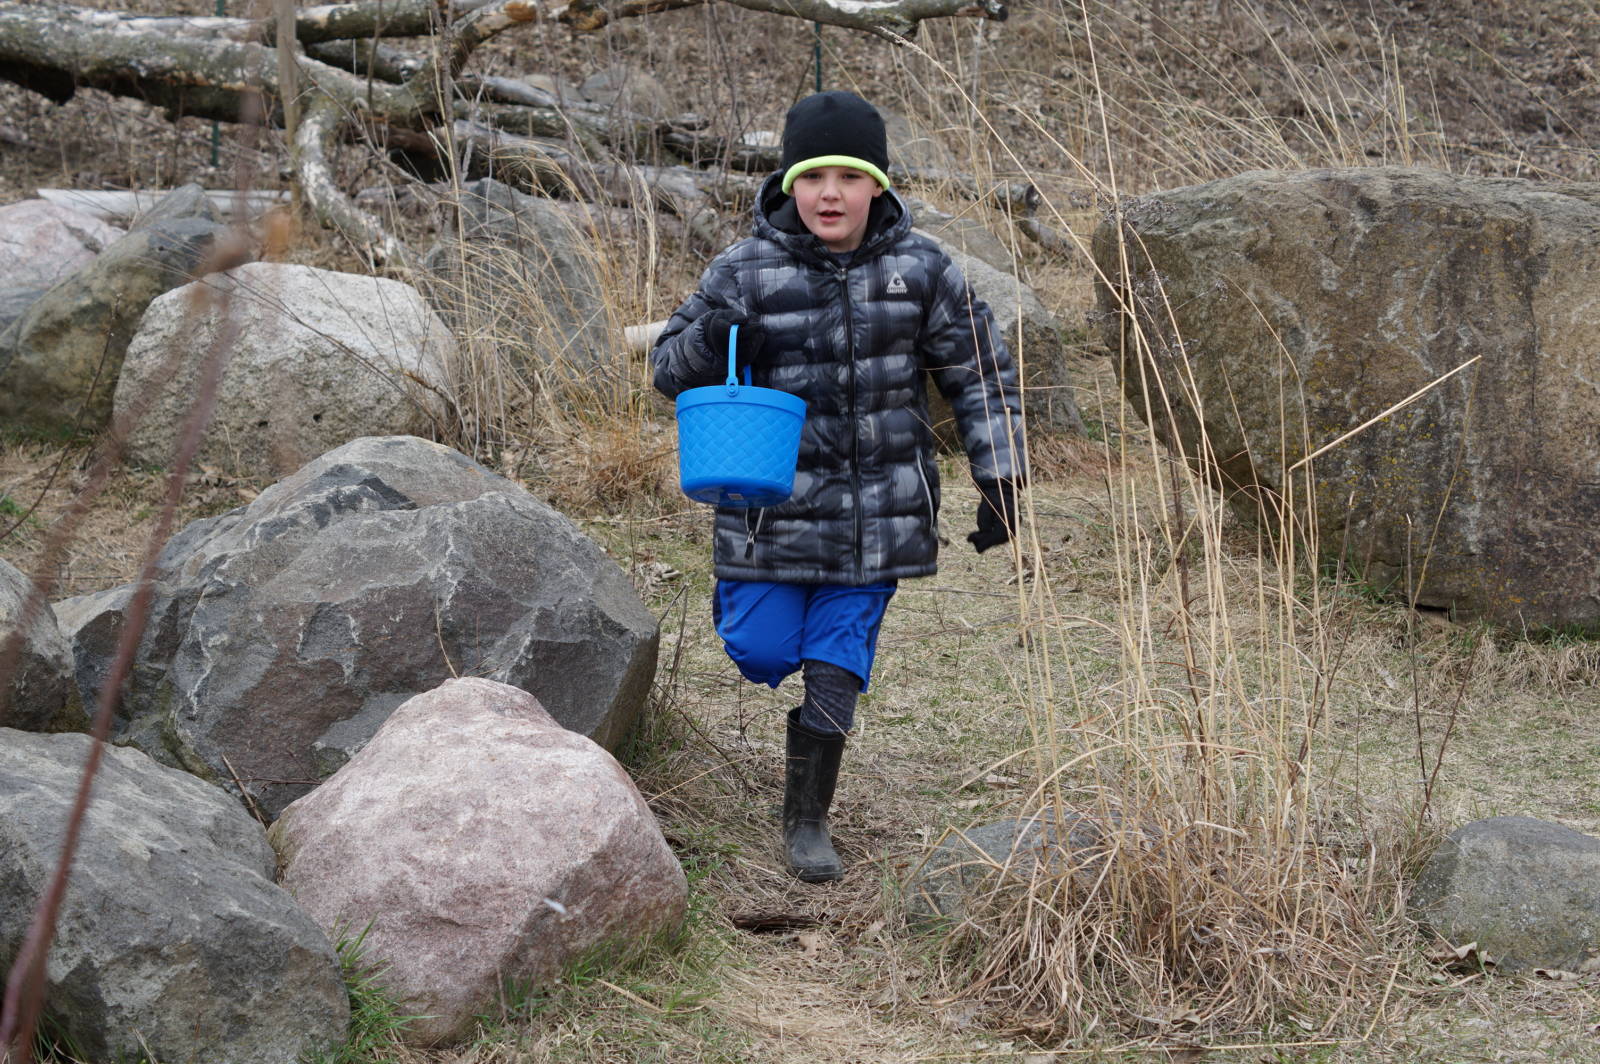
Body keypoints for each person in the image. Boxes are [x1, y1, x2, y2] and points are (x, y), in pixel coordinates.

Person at [650, 90, 1025, 883]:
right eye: (812, 175)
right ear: (789, 183)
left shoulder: (921, 269)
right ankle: (760, 636)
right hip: (766, 514)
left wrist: (1002, 476)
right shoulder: (745, 268)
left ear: (877, 186)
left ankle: (807, 819)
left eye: (848, 177)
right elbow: (666, 367)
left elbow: (980, 373)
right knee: (760, 649)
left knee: (835, 658)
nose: (829, 193)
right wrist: (716, 338)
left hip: (877, 516)